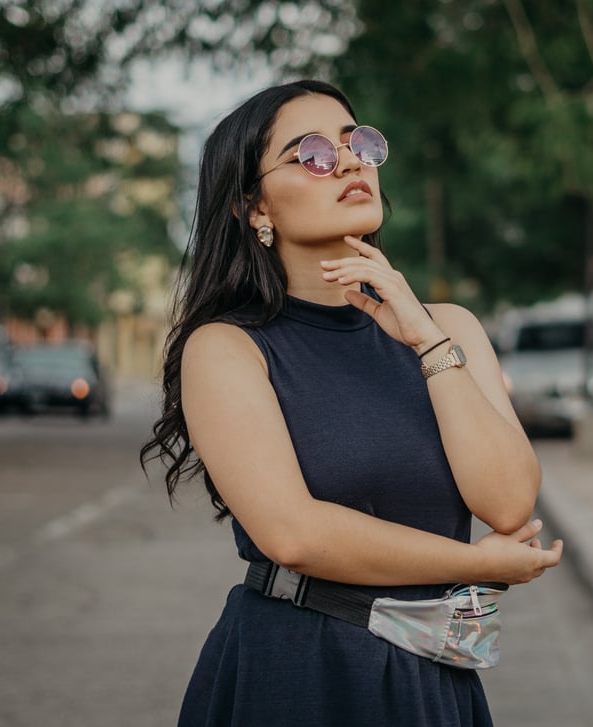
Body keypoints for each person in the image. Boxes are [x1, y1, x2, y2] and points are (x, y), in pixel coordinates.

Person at [141, 79, 563, 727]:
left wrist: (425, 338)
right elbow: (295, 534)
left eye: (357, 142)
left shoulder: (451, 327)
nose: (348, 161)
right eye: (309, 153)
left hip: (428, 675)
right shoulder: (226, 348)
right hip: (301, 666)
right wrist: (478, 563)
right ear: (254, 208)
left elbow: (507, 502)